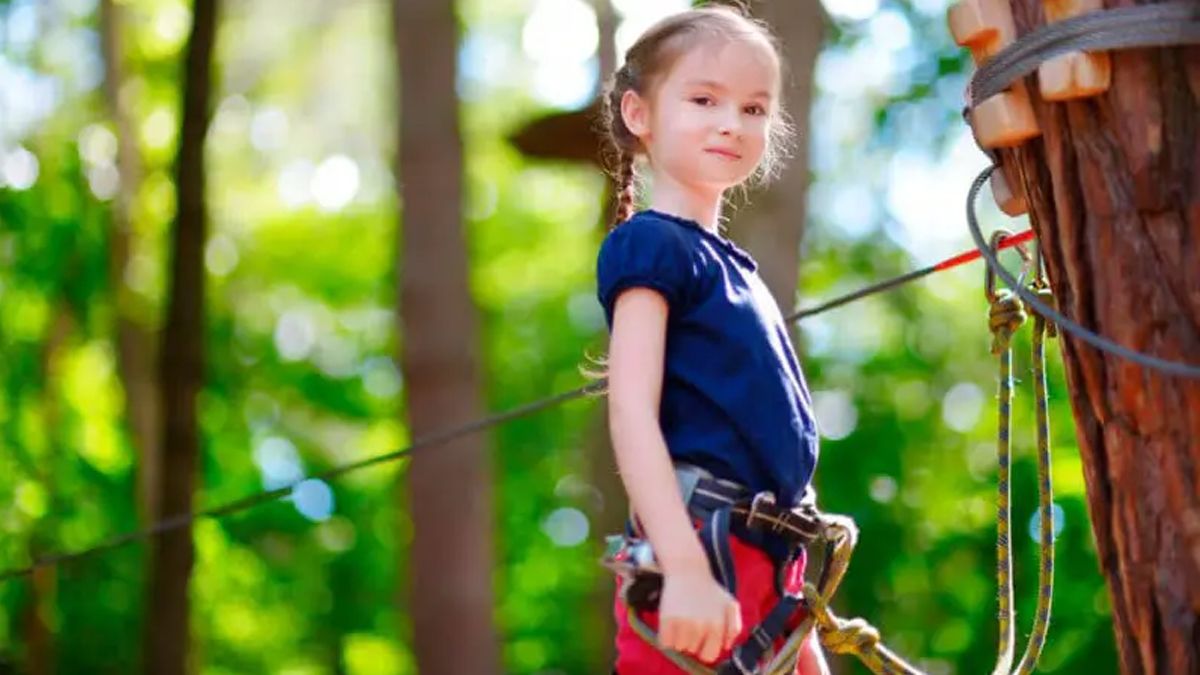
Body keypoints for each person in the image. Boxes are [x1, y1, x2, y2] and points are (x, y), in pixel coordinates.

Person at [593, 4, 830, 674]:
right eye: (704, 99)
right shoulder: (650, 244)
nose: (732, 122)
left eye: (755, 109)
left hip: (770, 569)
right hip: (700, 550)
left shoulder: (737, 270)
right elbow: (631, 412)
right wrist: (685, 564)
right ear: (640, 115)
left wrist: (794, 611)